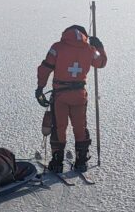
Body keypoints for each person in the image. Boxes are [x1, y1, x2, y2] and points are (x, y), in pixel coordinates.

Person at [36, 25, 107, 173]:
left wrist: (40, 88)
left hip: (60, 96)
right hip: (79, 95)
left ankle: (57, 161)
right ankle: (81, 161)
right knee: (80, 127)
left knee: (60, 127)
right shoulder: (89, 50)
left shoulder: (57, 47)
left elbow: (45, 68)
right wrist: (100, 46)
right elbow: (101, 63)